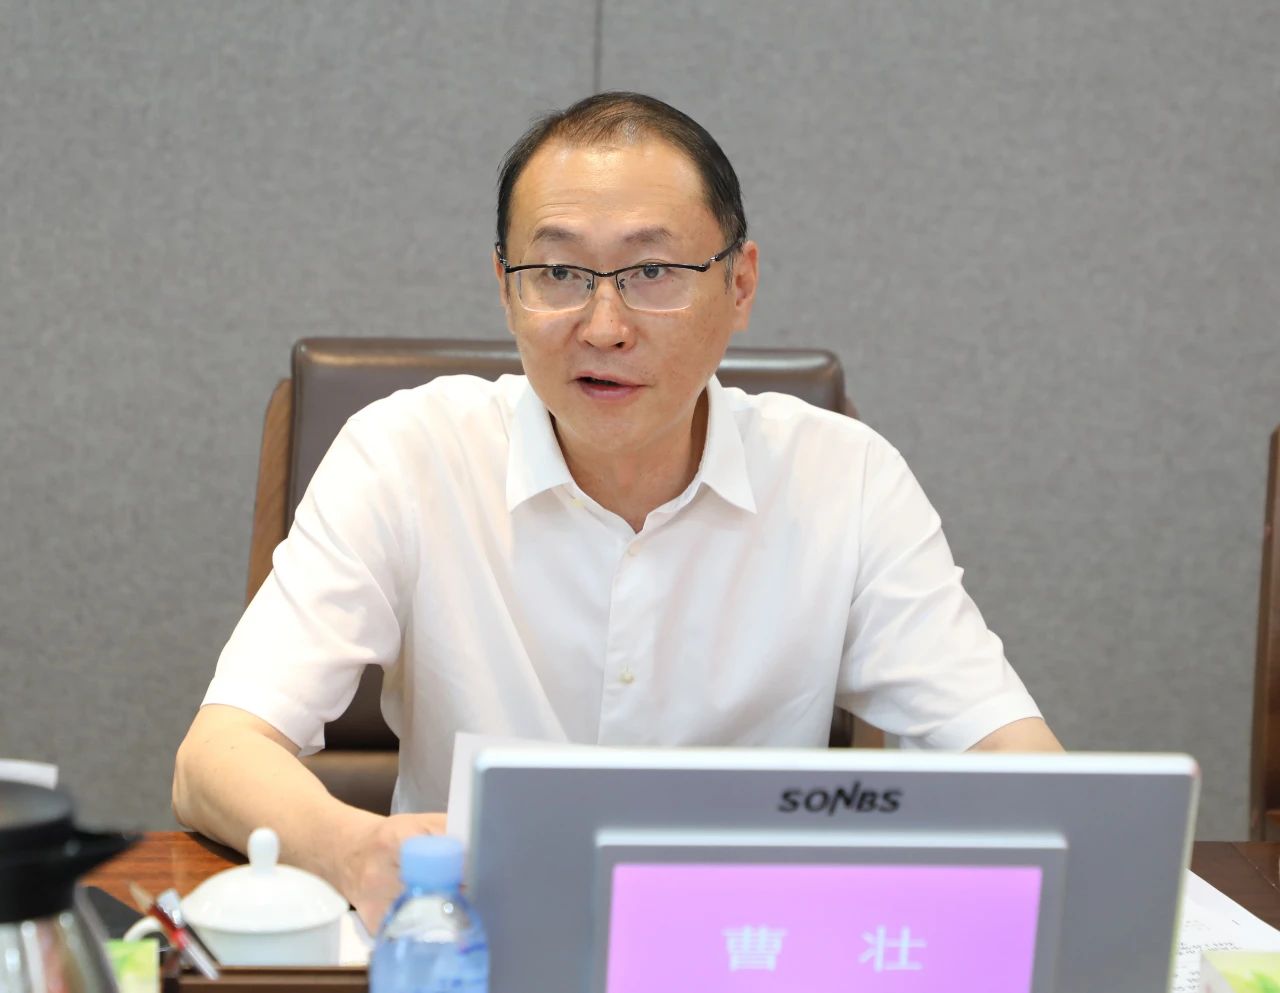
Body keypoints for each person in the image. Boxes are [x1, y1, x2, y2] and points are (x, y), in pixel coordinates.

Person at [173, 92, 1061, 930]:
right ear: (505, 286)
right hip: (477, 945)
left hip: (744, 947)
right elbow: (216, 754)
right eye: (557, 271)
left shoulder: (845, 478)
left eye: (652, 270)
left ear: (741, 285)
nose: (603, 325)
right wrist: (352, 850)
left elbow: (1012, 756)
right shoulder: (406, 454)